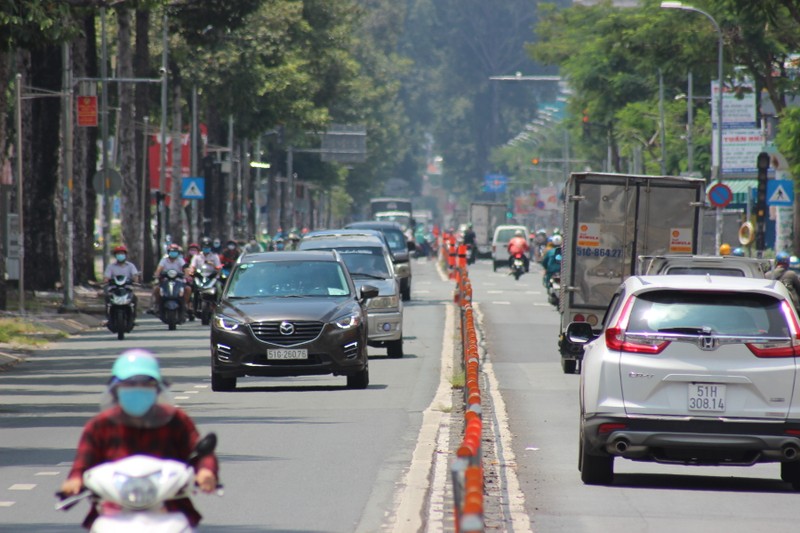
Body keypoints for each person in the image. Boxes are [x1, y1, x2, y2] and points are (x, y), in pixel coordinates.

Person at [60, 350, 219, 530]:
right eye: (129, 384)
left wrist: (206, 472)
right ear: (116, 390)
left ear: (157, 389)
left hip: (169, 506)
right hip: (113, 509)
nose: (138, 389)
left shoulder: (176, 420)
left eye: (146, 384)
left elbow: (199, 452)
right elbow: (82, 464)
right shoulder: (100, 425)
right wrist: (74, 480)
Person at [150, 243, 191, 315]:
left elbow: (186, 269)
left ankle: (185, 304)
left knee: (188, 289)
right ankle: (156, 305)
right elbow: (159, 270)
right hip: (165, 281)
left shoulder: (180, 260)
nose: (173, 253)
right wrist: (157, 275)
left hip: (178, 281)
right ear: (168, 252)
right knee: (156, 289)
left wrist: (186, 275)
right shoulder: (164, 260)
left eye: (175, 251)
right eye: (171, 251)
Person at [103, 245, 140, 313]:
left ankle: (133, 316)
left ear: (125, 255)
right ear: (115, 255)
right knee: (107, 298)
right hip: (114, 288)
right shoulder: (111, 266)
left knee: (134, 298)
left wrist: (135, 278)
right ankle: (109, 316)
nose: (120, 255)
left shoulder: (131, 266)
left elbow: (135, 277)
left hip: (127, 288)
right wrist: (107, 280)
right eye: (118, 254)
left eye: (122, 253)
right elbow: (106, 278)